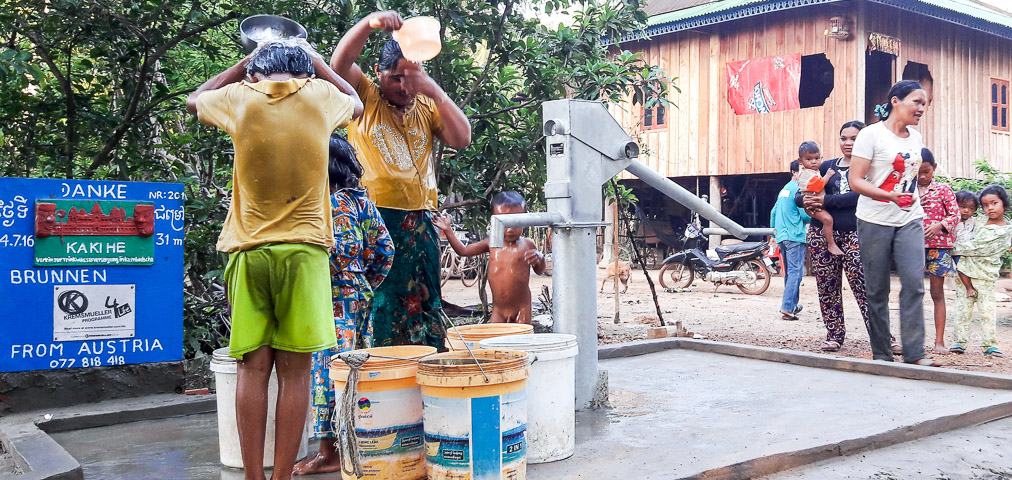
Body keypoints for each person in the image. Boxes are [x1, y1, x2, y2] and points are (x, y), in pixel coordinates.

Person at [186, 41, 363, 479]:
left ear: (254, 75)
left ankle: (252, 476)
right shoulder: (321, 97)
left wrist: (241, 66)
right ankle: (282, 477)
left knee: (253, 367)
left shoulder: (238, 98)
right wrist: (321, 65)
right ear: (307, 75)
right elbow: (357, 104)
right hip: (304, 254)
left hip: (248, 253)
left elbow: (193, 100)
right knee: (296, 372)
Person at [331, 10, 472, 349]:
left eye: (411, 78)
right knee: (379, 303)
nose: (404, 86)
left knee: (425, 303)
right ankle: (380, 375)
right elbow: (338, 65)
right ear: (379, 72)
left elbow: (462, 138)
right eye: (396, 77)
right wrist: (367, 23)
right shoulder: (363, 94)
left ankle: (425, 370)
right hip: (376, 218)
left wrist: (432, 88)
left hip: (421, 221)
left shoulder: (425, 102)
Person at [294, 135, 394, 475]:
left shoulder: (331, 204)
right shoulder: (360, 200)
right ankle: (355, 444)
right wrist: (365, 281)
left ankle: (329, 453)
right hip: (357, 295)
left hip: (333, 298)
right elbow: (385, 250)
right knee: (354, 368)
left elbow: (335, 254)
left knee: (328, 372)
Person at [847, 80, 938, 366]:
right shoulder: (871, 135)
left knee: (914, 282)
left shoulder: (916, 137)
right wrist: (889, 196)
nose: (921, 108)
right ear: (896, 101)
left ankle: (914, 353)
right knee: (877, 289)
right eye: (917, 102)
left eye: (924, 104)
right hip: (874, 219)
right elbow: (856, 180)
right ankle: (882, 354)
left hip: (910, 217)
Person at [795, 121, 874, 352]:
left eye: (854, 138)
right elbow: (799, 195)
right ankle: (834, 335)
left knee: (865, 286)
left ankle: (880, 336)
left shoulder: (870, 168)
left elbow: (859, 196)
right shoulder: (825, 165)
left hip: (856, 234)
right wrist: (806, 201)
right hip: (821, 235)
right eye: (843, 138)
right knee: (827, 287)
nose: (848, 143)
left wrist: (825, 201)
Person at [432, 191, 546, 324]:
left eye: (514, 222)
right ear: (494, 220)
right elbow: (463, 251)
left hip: (521, 308)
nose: (509, 230)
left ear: (525, 220)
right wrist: (448, 230)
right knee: (494, 341)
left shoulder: (527, 244)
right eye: (503, 222)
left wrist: (540, 258)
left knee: (522, 340)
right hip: (498, 310)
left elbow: (539, 271)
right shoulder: (491, 243)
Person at [950, 186, 1012, 357]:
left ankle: (990, 345)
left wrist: (951, 248)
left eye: (994, 203)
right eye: (985, 205)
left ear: (1004, 204)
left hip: (986, 277)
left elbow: (980, 248)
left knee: (987, 313)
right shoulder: (975, 221)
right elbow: (959, 233)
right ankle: (959, 342)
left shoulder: (1007, 231)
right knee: (962, 311)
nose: (989, 208)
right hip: (965, 275)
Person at [917, 148, 960, 355]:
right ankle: (914, 341)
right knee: (913, 293)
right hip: (913, 247)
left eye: (926, 171)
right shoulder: (908, 190)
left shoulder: (943, 189)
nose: (922, 176)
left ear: (933, 168)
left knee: (937, 293)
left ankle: (939, 340)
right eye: (918, 172)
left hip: (938, 248)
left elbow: (955, 215)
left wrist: (938, 225)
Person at [770, 160, 810, 321]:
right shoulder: (798, 190)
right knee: (796, 272)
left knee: (790, 273)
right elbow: (805, 215)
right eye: (802, 169)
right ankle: (787, 307)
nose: (806, 173)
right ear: (794, 173)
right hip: (794, 235)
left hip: (782, 236)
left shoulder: (784, 190)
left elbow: (773, 212)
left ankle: (792, 305)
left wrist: (773, 235)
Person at [795, 141, 843, 256]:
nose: (814, 162)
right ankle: (831, 243)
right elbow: (818, 186)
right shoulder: (805, 174)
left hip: (815, 203)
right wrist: (828, 175)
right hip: (813, 204)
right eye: (809, 159)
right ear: (800, 161)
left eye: (817, 158)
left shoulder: (813, 171)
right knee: (828, 220)